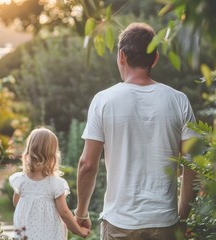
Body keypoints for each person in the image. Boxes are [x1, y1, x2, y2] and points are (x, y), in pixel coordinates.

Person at [74, 22, 198, 240]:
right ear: (155, 58)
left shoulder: (103, 100)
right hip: (165, 223)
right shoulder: (179, 100)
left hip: (120, 223)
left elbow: (87, 164)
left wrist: (81, 212)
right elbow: (193, 164)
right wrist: (183, 217)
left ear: (121, 56)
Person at [9, 127, 90, 240]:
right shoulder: (55, 184)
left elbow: (17, 203)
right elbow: (64, 213)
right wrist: (79, 230)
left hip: (26, 234)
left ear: (29, 150)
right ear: (53, 154)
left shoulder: (20, 180)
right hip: (50, 234)